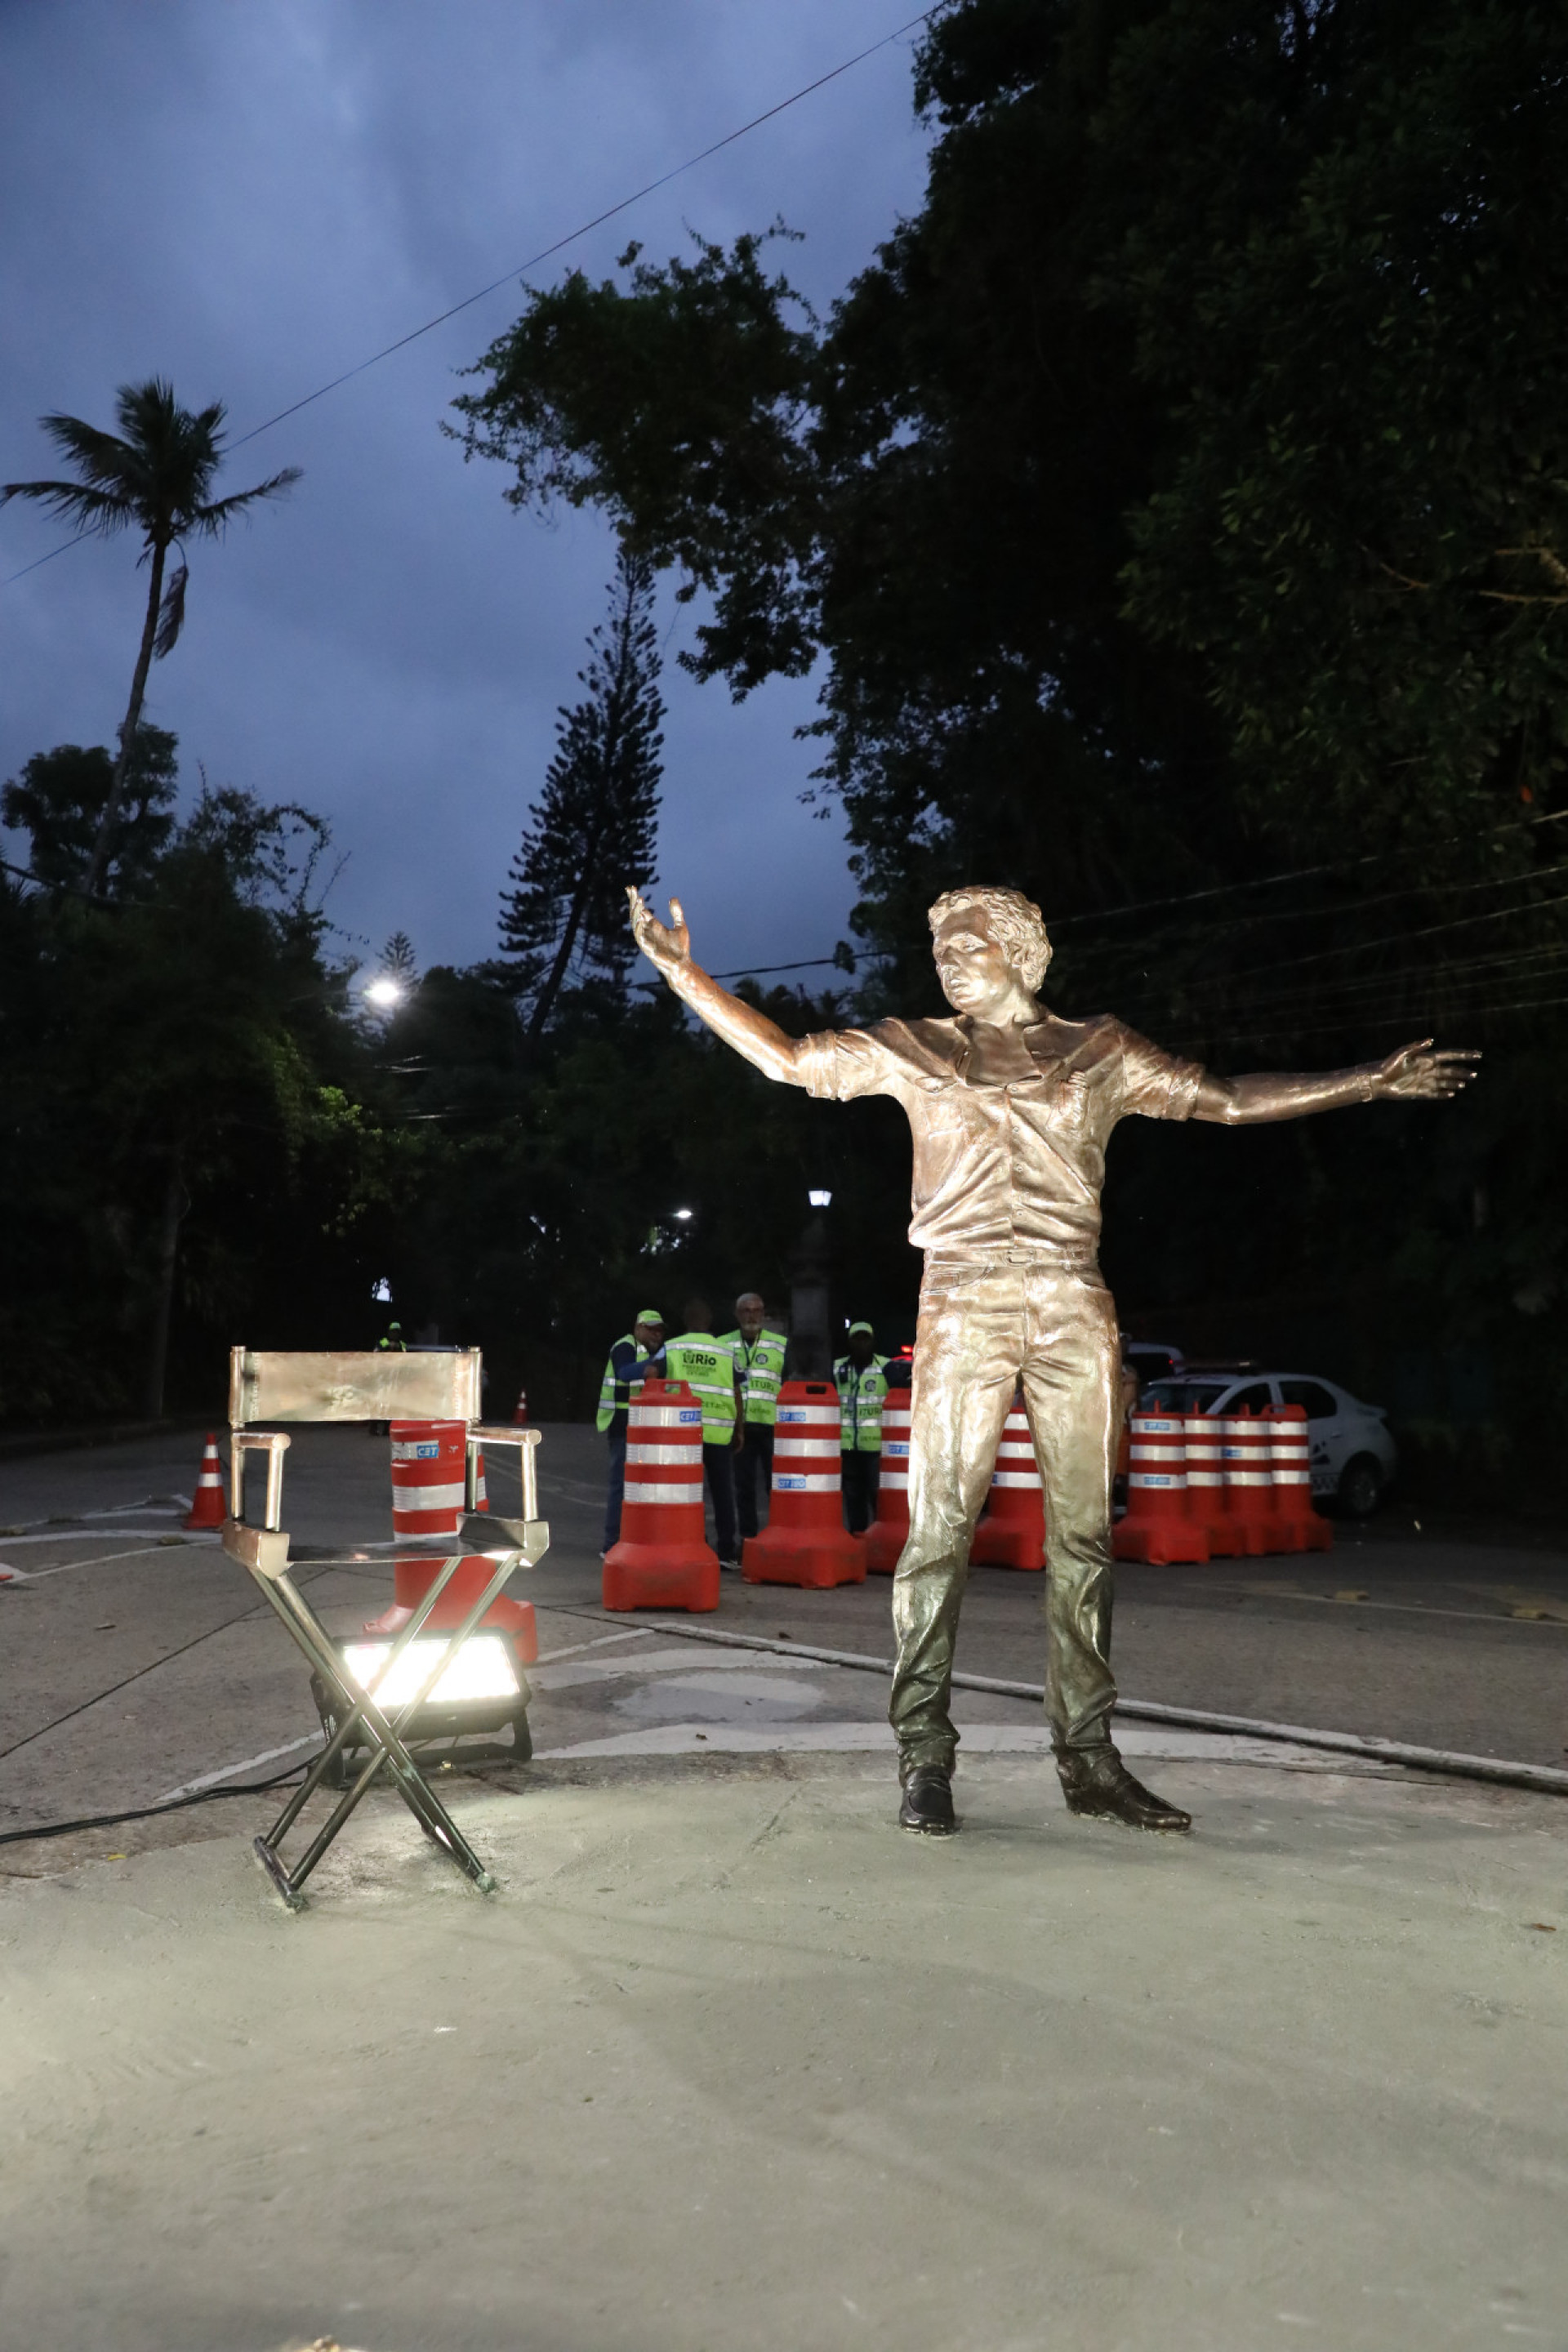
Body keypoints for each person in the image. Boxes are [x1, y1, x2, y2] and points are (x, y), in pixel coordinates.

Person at [629, 878, 1477, 1838]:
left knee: (1081, 1541)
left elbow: (1226, 1101)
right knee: (936, 1537)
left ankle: (1089, 1758)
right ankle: (924, 1755)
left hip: (1074, 1301)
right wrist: (683, 974)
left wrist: (1366, 1080)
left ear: (1022, 955)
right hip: (961, 1299)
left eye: (968, 943)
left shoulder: (1098, 1051)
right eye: (941, 946)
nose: (949, 959)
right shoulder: (920, 1050)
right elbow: (785, 1060)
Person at [664, 1297, 745, 1567]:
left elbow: (654, 1378)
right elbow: (737, 1392)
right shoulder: (725, 1351)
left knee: (688, 1492)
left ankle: (694, 1542)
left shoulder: (671, 1348)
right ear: (709, 1322)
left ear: (686, 1322)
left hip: (683, 1432)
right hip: (720, 1433)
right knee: (723, 1493)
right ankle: (726, 1551)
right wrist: (739, 1429)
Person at [719, 1291, 788, 1544]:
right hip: (740, 1427)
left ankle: (777, 1537)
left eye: (756, 1310)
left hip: (772, 1426)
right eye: (746, 1311)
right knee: (743, 1488)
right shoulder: (723, 1345)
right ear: (737, 1314)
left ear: (763, 1313)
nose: (752, 1315)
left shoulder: (780, 1345)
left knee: (777, 1487)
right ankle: (748, 1539)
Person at [596, 1310, 666, 1557]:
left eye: (659, 1330)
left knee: (641, 1487)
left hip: (644, 1425)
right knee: (620, 1485)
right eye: (651, 1329)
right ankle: (611, 1543)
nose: (656, 1334)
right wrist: (652, 1367)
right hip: (622, 1424)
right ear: (638, 1328)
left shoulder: (656, 1352)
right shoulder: (624, 1346)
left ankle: (632, 1539)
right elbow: (624, 1372)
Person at [835, 1321, 889, 1535]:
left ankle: (879, 1538)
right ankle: (858, 1538)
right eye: (856, 1339)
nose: (861, 1344)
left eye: (865, 1338)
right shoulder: (838, 1368)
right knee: (853, 1498)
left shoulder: (885, 1367)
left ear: (872, 1341)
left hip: (875, 1448)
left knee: (877, 1497)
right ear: (849, 1342)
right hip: (848, 1448)